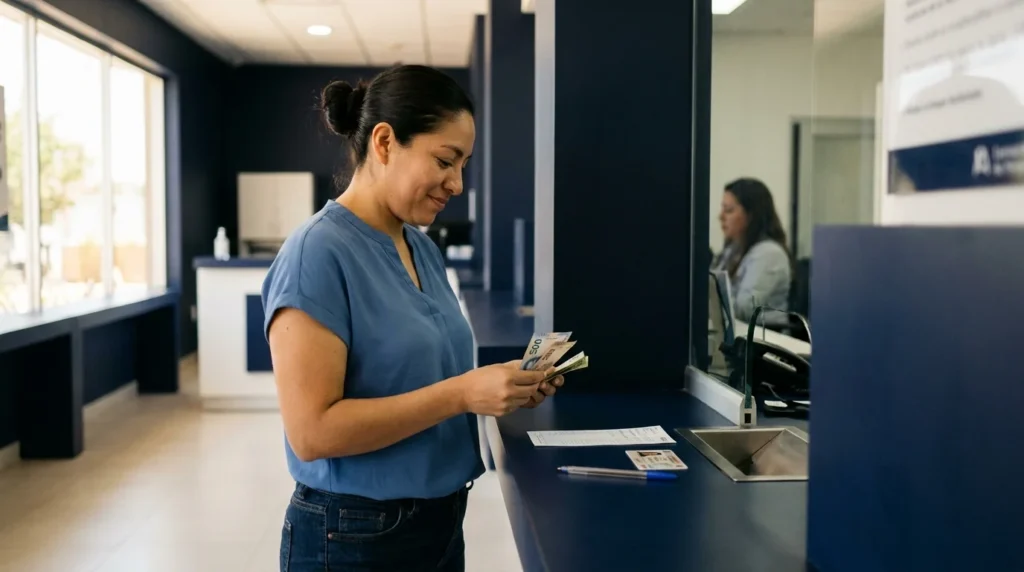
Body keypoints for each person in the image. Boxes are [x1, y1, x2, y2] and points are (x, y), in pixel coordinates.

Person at [262, 65, 564, 572]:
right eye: (446, 160)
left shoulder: (419, 247)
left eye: (464, 164)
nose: (458, 183)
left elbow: (423, 375)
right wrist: (465, 393)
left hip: (440, 524)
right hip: (356, 536)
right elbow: (312, 432)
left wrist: (502, 386)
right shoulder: (316, 253)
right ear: (384, 142)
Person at [712, 177, 792, 323]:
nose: (721, 217)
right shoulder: (732, 250)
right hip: (737, 336)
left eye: (729, 210)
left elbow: (744, 309)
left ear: (751, 215)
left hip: (763, 340)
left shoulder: (770, 254)